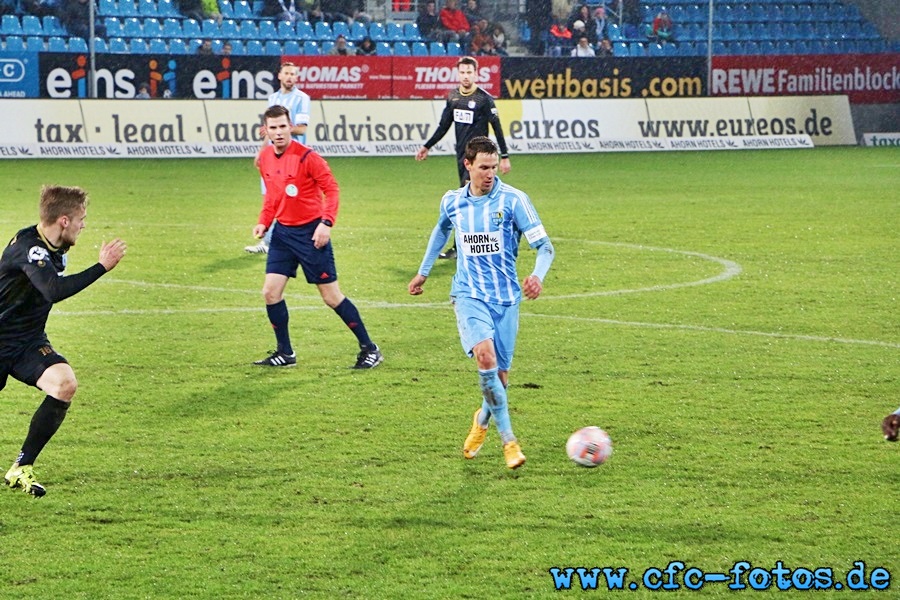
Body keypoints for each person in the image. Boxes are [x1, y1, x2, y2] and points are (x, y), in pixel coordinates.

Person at [408, 136, 554, 470]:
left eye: (493, 167)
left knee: (499, 379)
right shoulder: (452, 202)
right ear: (468, 165)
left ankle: (482, 420)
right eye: (483, 167)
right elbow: (440, 232)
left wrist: (537, 276)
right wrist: (423, 272)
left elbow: (545, 247)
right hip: (468, 295)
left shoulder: (514, 201)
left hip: (505, 299)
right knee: (484, 358)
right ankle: (510, 443)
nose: (490, 173)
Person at [0, 185, 126, 497]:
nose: (85, 224)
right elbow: (52, 290)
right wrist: (101, 267)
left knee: (64, 384)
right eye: (82, 218)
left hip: (27, 341)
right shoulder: (31, 248)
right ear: (65, 221)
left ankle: (21, 467)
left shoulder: (56, 246)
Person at [252, 105, 383, 370]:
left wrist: (326, 223)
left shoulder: (308, 157)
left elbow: (332, 190)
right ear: (265, 130)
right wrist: (264, 222)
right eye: (273, 128)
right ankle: (285, 352)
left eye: (282, 126)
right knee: (270, 292)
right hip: (283, 234)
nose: (278, 132)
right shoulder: (264, 158)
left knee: (331, 297)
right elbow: (273, 195)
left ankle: (370, 348)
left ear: (291, 127)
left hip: (312, 234)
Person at [415, 56, 511, 260]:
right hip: (463, 158)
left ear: (476, 74)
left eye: (469, 72)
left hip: (480, 160)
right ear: (458, 74)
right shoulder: (453, 98)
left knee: (470, 201)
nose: (466, 76)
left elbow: (498, 127)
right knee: (473, 201)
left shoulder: (484, 99)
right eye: (462, 72)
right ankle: (477, 245)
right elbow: (443, 126)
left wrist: (504, 156)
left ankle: (470, 247)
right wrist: (427, 146)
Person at [246, 62, 312, 255]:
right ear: (279, 76)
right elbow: (270, 128)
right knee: (270, 199)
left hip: (292, 156)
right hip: (273, 155)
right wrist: (261, 150)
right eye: (287, 73)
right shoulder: (273, 98)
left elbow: (302, 128)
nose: (290, 77)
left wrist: (280, 128)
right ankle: (270, 242)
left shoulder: (302, 98)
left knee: (288, 200)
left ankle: (275, 242)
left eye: (293, 74)